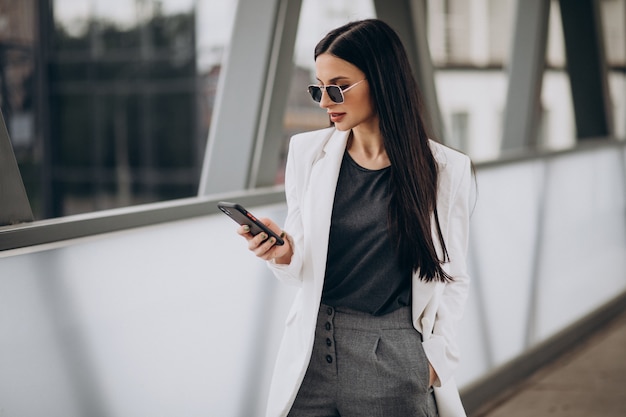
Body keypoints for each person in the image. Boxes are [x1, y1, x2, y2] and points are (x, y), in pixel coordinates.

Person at [236, 18, 472, 417]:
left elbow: (454, 276)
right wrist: (283, 254)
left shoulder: (444, 170)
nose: (325, 102)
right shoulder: (307, 154)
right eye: (318, 89)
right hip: (312, 351)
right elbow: (302, 269)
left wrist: (434, 364)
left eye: (337, 87)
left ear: (381, 79)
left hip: (392, 359)